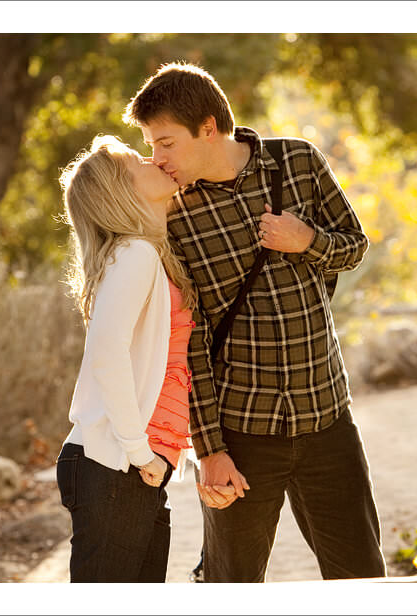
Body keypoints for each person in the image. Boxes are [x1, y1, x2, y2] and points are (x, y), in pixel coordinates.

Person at [123, 62, 386, 582]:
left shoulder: (298, 162)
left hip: (328, 418)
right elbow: (190, 340)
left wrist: (307, 240)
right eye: (152, 145)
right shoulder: (171, 212)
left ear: (208, 127)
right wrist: (210, 449)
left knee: (362, 578)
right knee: (231, 583)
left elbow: (355, 247)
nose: (158, 159)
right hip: (242, 433)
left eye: (166, 143)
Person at [55, 135, 236, 582]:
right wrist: (140, 453)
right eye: (139, 160)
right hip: (116, 464)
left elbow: (164, 371)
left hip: (135, 466)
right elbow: (107, 354)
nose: (154, 159)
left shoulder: (148, 254)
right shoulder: (134, 254)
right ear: (122, 190)